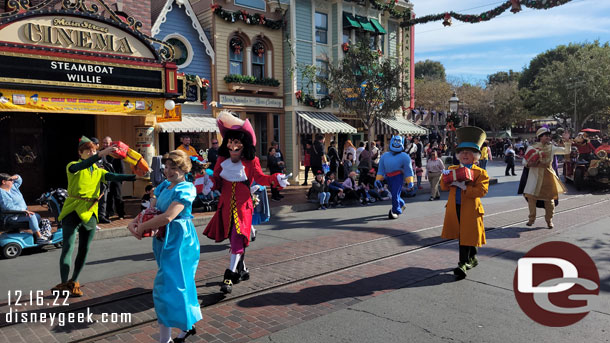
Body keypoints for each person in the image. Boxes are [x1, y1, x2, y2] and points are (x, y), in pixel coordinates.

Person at [203, 111, 288, 294]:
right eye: (230, 143)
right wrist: (210, 183)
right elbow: (217, 180)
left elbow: (261, 178)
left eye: (237, 144)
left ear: (244, 145)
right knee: (236, 241)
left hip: (243, 208)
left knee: (236, 239)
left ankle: (229, 277)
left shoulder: (251, 162)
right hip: (225, 208)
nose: (233, 147)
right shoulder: (221, 160)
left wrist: (276, 179)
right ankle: (242, 269)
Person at [129, 150, 202, 343]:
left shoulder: (186, 188)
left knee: (167, 288)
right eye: (167, 167)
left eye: (174, 168)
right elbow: (153, 210)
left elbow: (169, 216)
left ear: (184, 169)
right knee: (176, 285)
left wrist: (142, 226)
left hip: (180, 240)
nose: (169, 171)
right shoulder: (164, 186)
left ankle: (165, 339)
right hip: (163, 238)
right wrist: (134, 222)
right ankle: (186, 326)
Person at [52, 136, 136, 297]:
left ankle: (73, 281)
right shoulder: (73, 166)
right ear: (80, 152)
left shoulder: (98, 171)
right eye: (88, 151)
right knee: (68, 248)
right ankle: (63, 283)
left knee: (84, 249)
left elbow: (115, 177)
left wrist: (137, 176)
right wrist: (100, 154)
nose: (92, 153)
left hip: (90, 212)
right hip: (72, 211)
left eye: (94, 150)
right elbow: (83, 165)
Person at [440, 126, 489, 280]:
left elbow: (482, 191)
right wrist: (446, 178)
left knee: (466, 235)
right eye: (462, 152)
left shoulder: (480, 173)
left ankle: (462, 263)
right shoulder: (452, 169)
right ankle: (472, 258)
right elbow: (443, 187)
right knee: (465, 235)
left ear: (476, 156)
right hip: (455, 208)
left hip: (471, 209)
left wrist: (465, 187)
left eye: (469, 152)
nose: (465, 154)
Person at [522, 127, 572, 229]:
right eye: (546, 135)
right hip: (534, 176)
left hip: (548, 177)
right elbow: (524, 161)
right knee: (531, 198)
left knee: (550, 201)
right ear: (540, 137)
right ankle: (531, 219)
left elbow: (566, 151)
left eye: (549, 135)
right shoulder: (531, 147)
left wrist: (567, 141)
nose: (548, 137)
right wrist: (530, 163)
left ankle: (549, 220)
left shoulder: (552, 147)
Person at [0, 174, 50, 244]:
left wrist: (13, 177)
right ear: (3, 182)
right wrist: (23, 210)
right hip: (11, 217)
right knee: (31, 216)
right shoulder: (2, 192)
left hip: (20, 214)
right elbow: (8, 207)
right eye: (10, 180)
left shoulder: (13, 187)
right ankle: (39, 238)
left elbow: (19, 179)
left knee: (37, 216)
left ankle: (39, 234)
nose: (13, 181)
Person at [375, 136, 414, 219]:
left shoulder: (405, 156)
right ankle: (402, 204)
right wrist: (378, 179)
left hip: (397, 177)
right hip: (388, 178)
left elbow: (408, 170)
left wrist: (410, 181)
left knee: (395, 194)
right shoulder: (384, 156)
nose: (396, 143)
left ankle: (395, 210)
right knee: (394, 194)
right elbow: (381, 169)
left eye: (399, 141)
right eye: (395, 140)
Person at [101, 136, 126, 221]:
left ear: (110, 143)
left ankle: (121, 214)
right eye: (104, 143)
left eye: (106, 143)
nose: (105, 144)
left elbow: (122, 166)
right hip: (106, 178)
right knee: (108, 197)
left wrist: (122, 177)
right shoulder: (101, 152)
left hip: (116, 177)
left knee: (118, 196)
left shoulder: (116, 152)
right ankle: (108, 213)